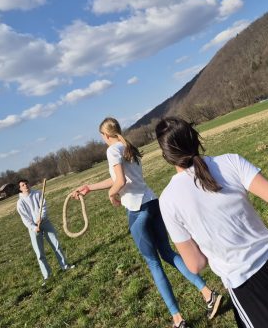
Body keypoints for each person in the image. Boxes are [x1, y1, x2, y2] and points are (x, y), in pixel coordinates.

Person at [155, 117, 268, 328]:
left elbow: (195, 265)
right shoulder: (231, 161)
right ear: (195, 138)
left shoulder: (168, 200)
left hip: (249, 288)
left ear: (166, 155)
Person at [72, 117, 221, 328]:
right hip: (152, 203)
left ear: (105, 135)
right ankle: (208, 293)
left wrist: (111, 195)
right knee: (167, 252)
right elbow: (119, 179)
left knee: (153, 263)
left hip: (137, 210)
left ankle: (178, 319)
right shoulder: (127, 147)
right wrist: (89, 187)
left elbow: (120, 182)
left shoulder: (112, 150)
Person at [17, 179, 74, 285]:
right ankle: (47, 276)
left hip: (45, 222)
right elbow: (25, 218)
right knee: (39, 253)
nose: (25, 186)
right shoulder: (20, 203)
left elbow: (43, 206)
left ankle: (65, 266)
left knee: (56, 245)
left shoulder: (38, 193)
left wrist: (41, 217)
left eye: (26, 183)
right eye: (22, 185)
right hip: (33, 228)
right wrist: (34, 227)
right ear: (20, 189)